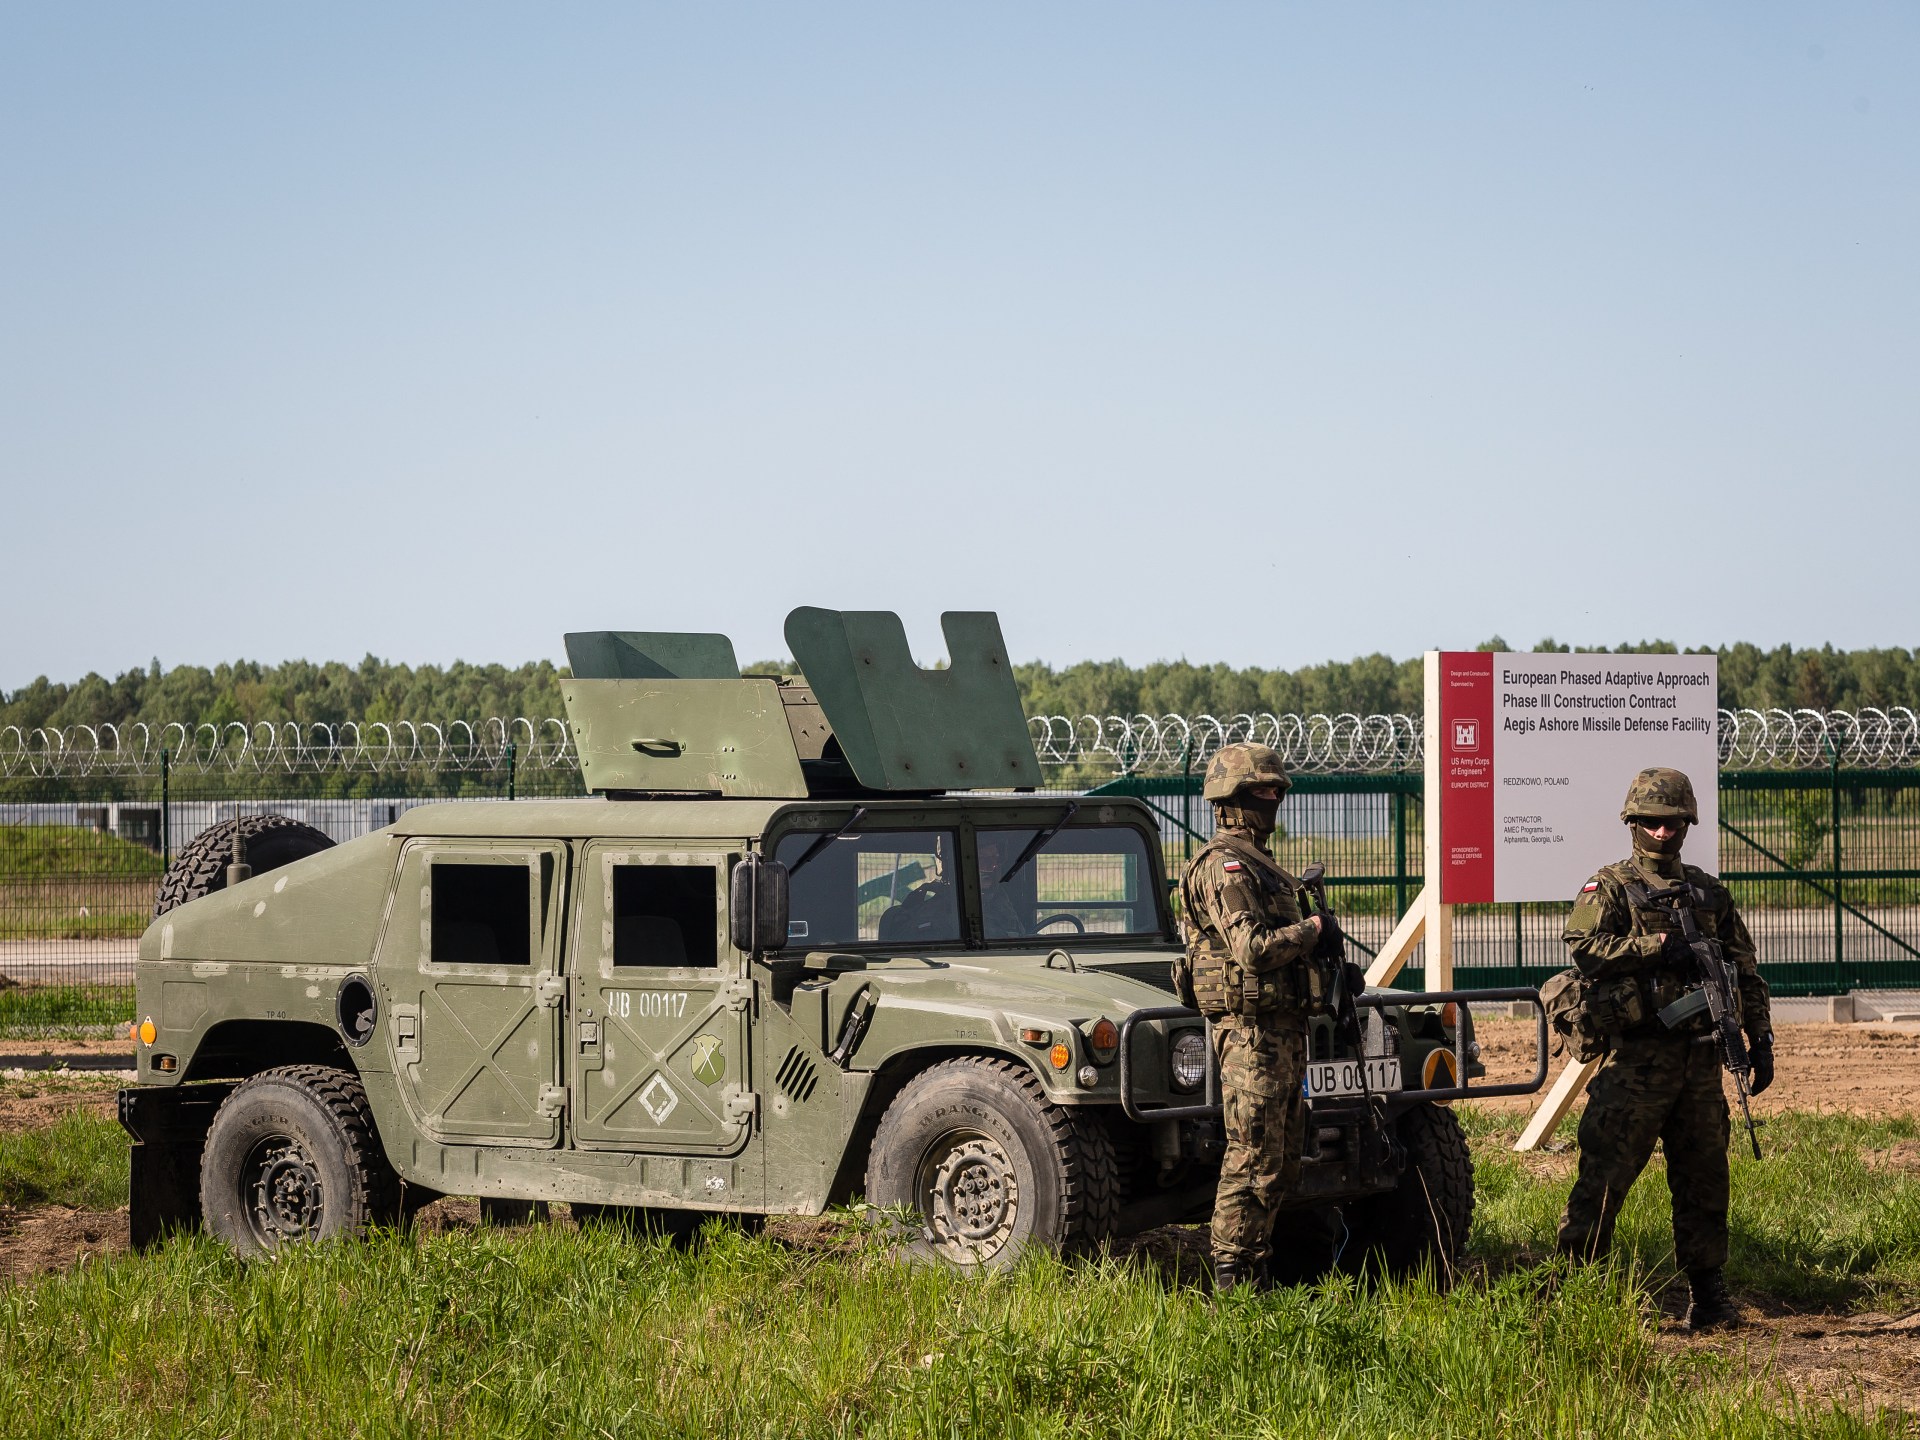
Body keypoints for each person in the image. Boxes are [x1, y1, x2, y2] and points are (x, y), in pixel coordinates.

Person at [1555, 767, 1774, 1331]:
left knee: (1704, 1180)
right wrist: (1656, 947)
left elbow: (1744, 968)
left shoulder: (1708, 891)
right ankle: (1575, 1291)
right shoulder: (1612, 886)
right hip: (1637, 1063)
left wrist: (1760, 1034)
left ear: (1687, 823)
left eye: (1672, 821)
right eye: (1651, 821)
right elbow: (1583, 948)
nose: (1662, 831)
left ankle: (1709, 1294)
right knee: (1604, 1178)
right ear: (1633, 822)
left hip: (1700, 1065)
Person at [1177, 741, 1336, 1292]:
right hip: (1250, 1033)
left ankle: (1256, 1262)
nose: (1274, 798)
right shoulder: (1224, 866)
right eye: (1262, 791)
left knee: (1282, 1156)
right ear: (1234, 798)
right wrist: (1313, 931)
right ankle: (1231, 1273)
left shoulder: (1265, 867)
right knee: (1252, 1154)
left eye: (1276, 790)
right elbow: (1254, 948)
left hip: (1282, 1030)